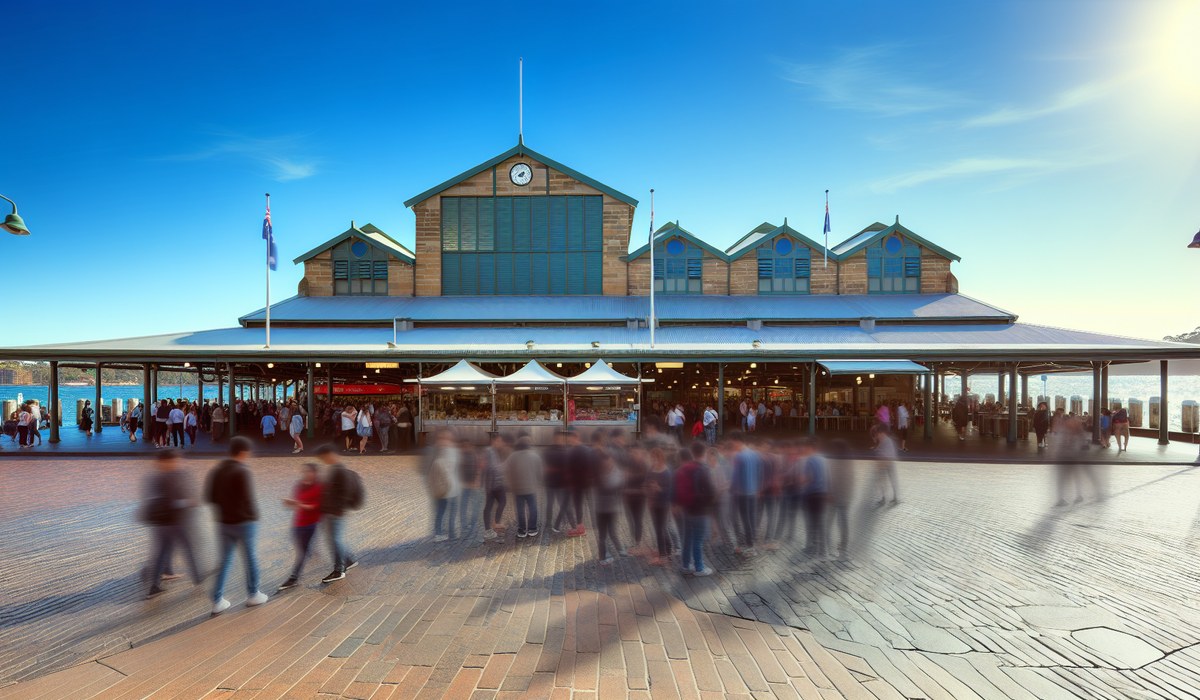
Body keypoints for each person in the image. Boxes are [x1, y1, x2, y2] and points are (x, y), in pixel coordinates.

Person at [204, 436, 268, 615]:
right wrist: (254, 516)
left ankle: (217, 599)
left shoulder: (217, 470)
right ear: (243, 452)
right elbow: (248, 498)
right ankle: (253, 593)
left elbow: (209, 497)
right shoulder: (242, 471)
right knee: (250, 558)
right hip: (244, 522)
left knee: (225, 561)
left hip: (223, 523)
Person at [142, 449, 203, 598]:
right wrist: (188, 502)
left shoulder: (156, 477)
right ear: (167, 461)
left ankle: (155, 585)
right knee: (188, 549)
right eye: (175, 460)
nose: (178, 462)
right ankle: (198, 579)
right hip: (174, 522)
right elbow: (172, 502)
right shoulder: (169, 477)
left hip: (161, 523)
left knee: (162, 552)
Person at [316, 444, 359, 579]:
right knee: (334, 539)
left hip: (335, 512)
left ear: (330, 454)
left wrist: (336, 510)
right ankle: (349, 560)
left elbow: (343, 493)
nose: (323, 460)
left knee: (335, 540)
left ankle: (339, 570)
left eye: (323, 457)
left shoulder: (339, 470)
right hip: (332, 511)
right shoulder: (334, 469)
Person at [278, 463, 322, 591]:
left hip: (311, 524)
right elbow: (296, 504)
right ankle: (309, 551)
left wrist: (298, 504)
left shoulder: (319, 487)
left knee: (301, 552)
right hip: (298, 523)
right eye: (304, 472)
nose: (306, 474)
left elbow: (315, 506)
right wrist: (289, 504)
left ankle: (294, 578)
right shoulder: (299, 485)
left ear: (314, 473)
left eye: (309, 472)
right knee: (301, 547)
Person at [674, 441, 716, 576]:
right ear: (704, 453)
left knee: (687, 539)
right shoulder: (703, 469)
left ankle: (685, 565)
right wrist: (708, 506)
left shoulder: (683, 468)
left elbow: (676, 489)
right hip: (700, 510)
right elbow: (711, 491)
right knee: (698, 541)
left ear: (692, 453)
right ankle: (699, 568)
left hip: (686, 509)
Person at [728, 432, 763, 556]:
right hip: (754, 491)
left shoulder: (739, 456)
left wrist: (731, 488)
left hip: (742, 492)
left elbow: (735, 476)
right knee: (752, 518)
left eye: (732, 442)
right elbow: (759, 472)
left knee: (745, 519)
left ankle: (750, 546)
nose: (731, 445)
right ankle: (752, 544)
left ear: (737, 441)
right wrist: (759, 488)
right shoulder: (755, 454)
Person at [427, 431, 461, 542]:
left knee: (443, 511)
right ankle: (444, 533)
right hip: (446, 487)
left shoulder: (442, 452)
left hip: (447, 487)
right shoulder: (448, 452)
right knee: (443, 511)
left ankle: (443, 532)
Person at [506, 435, 542, 538]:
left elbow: (507, 470)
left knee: (520, 510)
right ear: (528, 445)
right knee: (533, 508)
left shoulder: (513, 456)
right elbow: (539, 472)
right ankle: (532, 529)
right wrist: (538, 482)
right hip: (531, 488)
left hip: (517, 489)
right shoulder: (535, 456)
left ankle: (521, 530)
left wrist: (511, 484)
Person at [593, 449, 624, 565]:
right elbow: (609, 488)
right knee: (602, 534)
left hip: (611, 508)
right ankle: (602, 557)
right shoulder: (599, 475)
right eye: (605, 462)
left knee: (611, 531)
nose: (608, 464)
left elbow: (618, 488)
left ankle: (618, 550)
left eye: (609, 461)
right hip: (602, 508)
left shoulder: (615, 472)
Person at [825, 439, 854, 560]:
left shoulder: (833, 461)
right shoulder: (848, 461)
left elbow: (829, 479)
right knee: (843, 524)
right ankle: (842, 549)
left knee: (828, 523)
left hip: (834, 497)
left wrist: (829, 493)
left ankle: (829, 548)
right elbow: (850, 480)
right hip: (844, 497)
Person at [645, 446, 673, 565]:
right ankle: (667, 549)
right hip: (653, 502)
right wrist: (648, 488)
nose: (654, 460)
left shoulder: (666, 472)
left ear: (661, 458)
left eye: (656, 458)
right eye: (652, 458)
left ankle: (663, 556)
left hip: (663, 503)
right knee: (660, 528)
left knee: (660, 529)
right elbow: (646, 482)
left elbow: (670, 491)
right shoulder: (651, 469)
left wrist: (659, 488)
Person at [482, 433, 510, 541]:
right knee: (490, 506)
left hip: (496, 483)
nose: (501, 443)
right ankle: (489, 529)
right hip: (493, 484)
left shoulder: (493, 451)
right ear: (494, 441)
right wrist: (505, 465)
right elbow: (492, 468)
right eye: (499, 441)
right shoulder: (489, 451)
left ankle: (495, 524)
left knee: (501, 502)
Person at [458, 438, 481, 539]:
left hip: (472, 485)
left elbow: (478, 469)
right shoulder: (460, 456)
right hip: (464, 485)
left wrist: (477, 480)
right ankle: (465, 525)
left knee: (474, 505)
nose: (466, 448)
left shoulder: (474, 455)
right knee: (464, 505)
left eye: (468, 446)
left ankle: (473, 523)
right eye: (464, 446)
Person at [871, 425, 900, 507]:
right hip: (886, 462)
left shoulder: (886, 439)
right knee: (885, 480)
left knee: (887, 479)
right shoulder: (884, 439)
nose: (877, 436)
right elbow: (880, 447)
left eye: (877, 434)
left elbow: (888, 453)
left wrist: (881, 463)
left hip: (887, 462)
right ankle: (888, 498)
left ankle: (892, 498)